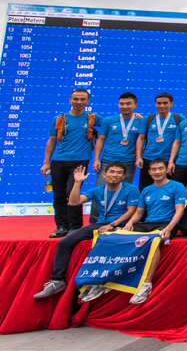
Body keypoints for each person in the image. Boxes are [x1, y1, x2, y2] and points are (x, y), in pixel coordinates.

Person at [33, 163, 139, 299]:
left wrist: (112, 225)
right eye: (112, 172)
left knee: (105, 242)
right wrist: (77, 183)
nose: (115, 175)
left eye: (119, 173)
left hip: (122, 225)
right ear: (104, 175)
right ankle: (57, 281)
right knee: (65, 242)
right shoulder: (98, 190)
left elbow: (131, 211)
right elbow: (73, 202)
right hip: (101, 224)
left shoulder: (131, 189)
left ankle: (97, 283)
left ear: (123, 176)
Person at [118, 159, 187, 305]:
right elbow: (139, 213)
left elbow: (179, 211)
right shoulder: (146, 190)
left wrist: (169, 228)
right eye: (154, 169)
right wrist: (129, 223)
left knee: (153, 241)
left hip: (166, 224)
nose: (157, 172)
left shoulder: (177, 186)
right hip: (147, 224)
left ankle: (146, 285)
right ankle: (109, 279)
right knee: (118, 236)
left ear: (166, 170)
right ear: (149, 172)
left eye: (160, 168)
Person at [42, 89, 101, 237]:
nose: (79, 102)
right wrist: (46, 163)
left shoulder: (92, 118)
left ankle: (75, 227)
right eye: (75, 99)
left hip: (79, 161)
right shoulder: (59, 119)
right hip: (58, 161)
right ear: (70, 100)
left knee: (72, 192)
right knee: (59, 195)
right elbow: (51, 141)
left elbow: (112, 124)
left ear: (88, 101)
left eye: (82, 99)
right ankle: (62, 226)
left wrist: (136, 116)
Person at [92, 93, 142, 207]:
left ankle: (119, 218)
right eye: (121, 104)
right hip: (107, 161)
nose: (124, 106)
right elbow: (100, 140)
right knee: (100, 193)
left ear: (135, 105)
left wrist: (141, 152)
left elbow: (145, 139)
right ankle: (95, 218)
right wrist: (96, 159)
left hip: (128, 162)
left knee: (123, 195)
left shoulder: (140, 121)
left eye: (128, 104)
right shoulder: (109, 120)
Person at [136, 93, 182, 190]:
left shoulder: (179, 118)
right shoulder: (148, 119)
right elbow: (141, 138)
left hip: (170, 161)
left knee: (168, 190)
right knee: (145, 189)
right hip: (149, 160)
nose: (162, 106)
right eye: (159, 103)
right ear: (155, 104)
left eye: (165, 103)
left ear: (171, 103)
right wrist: (138, 157)